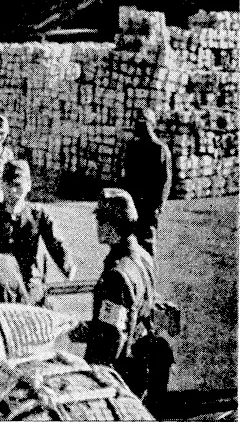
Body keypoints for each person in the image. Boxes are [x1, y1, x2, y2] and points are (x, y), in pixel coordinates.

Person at [82, 188, 172, 406]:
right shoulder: (143, 256)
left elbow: (111, 338)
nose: (98, 226)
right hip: (144, 357)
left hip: (124, 372)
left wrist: (91, 377)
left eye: (102, 220)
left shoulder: (116, 274)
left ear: (114, 225)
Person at [0, 160, 76, 305]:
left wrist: (67, 266)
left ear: (28, 186)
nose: (12, 191)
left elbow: (54, 241)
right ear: (2, 185)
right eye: (8, 185)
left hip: (29, 280)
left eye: (18, 185)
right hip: (2, 281)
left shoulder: (37, 214)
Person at [121, 108, 172, 258]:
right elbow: (126, 174)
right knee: (129, 242)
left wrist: (160, 204)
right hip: (132, 201)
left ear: (152, 125)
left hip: (149, 204)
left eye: (144, 124)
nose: (140, 127)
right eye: (138, 124)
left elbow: (166, 179)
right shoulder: (132, 147)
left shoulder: (160, 149)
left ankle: (148, 275)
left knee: (147, 243)